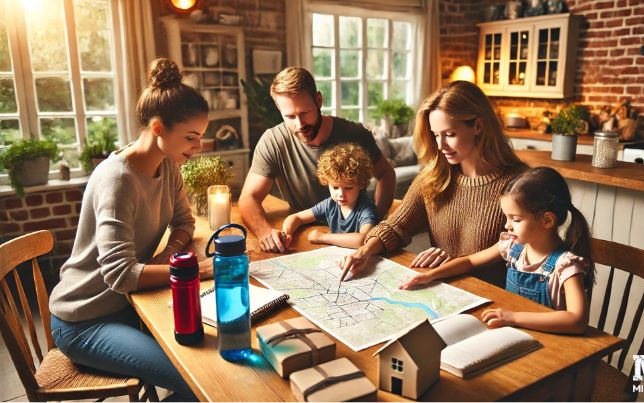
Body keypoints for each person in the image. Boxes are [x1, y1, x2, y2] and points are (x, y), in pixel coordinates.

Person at [48, 58, 211, 401]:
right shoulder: (117, 180)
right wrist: (189, 268)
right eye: (191, 137)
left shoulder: (168, 165)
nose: (197, 148)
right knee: (197, 377)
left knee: (211, 352)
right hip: (86, 320)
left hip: (128, 306)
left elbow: (184, 221)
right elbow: (120, 276)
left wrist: (171, 251)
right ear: (157, 129)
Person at [339, 80, 528, 282]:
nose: (441, 145)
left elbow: (520, 249)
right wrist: (365, 251)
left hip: (494, 299)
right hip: (441, 287)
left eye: (450, 134)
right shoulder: (433, 177)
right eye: (436, 135)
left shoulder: (519, 184)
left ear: (478, 126)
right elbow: (395, 227)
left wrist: (451, 263)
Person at [400, 167, 595, 335]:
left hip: (549, 348)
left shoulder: (565, 266)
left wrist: (514, 317)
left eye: (516, 219)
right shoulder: (512, 247)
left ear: (547, 220)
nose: (507, 226)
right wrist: (431, 276)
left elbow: (577, 321)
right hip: (509, 333)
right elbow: (470, 262)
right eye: (506, 217)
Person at [238, 67, 396, 253]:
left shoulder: (354, 133)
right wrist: (265, 232)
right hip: (306, 236)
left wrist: (375, 219)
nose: (299, 124)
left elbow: (386, 174)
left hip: (355, 239)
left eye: (305, 113)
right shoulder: (273, 141)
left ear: (319, 100)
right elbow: (248, 198)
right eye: (289, 116)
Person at [282, 143, 379, 248]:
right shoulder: (330, 204)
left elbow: (362, 240)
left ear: (361, 184)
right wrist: (286, 233)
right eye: (335, 187)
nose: (340, 194)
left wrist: (323, 237)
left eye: (348, 188)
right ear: (327, 182)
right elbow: (297, 217)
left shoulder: (366, 209)